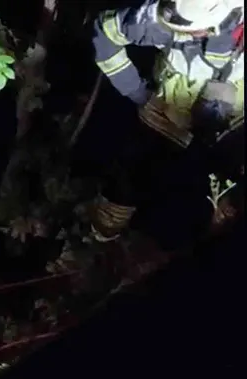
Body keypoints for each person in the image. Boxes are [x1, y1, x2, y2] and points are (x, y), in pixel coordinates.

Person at [90, 0, 244, 246]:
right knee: (134, 174)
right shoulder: (162, 20)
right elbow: (106, 33)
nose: (191, 33)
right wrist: (138, 93)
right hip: (170, 119)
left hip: (221, 123)